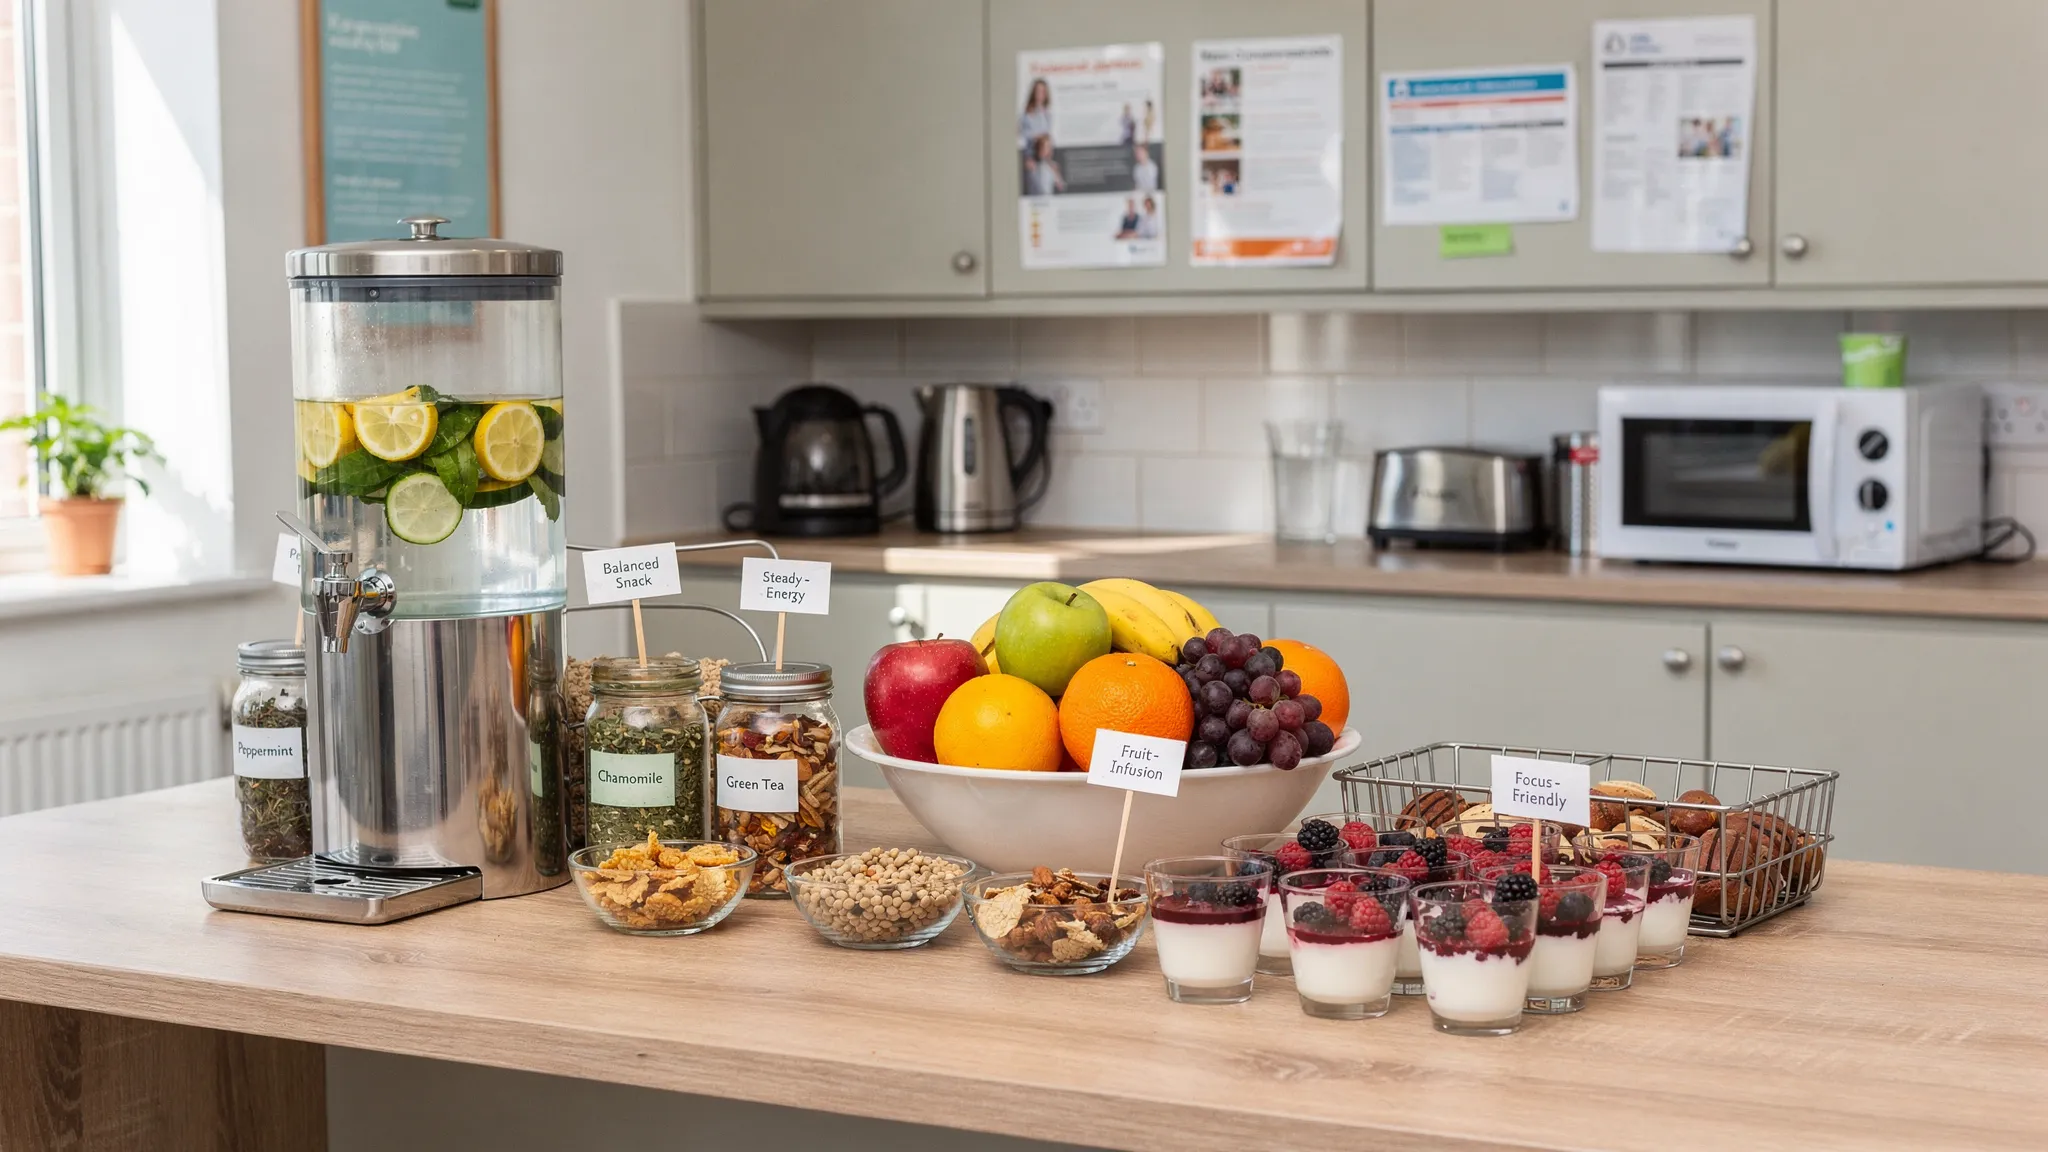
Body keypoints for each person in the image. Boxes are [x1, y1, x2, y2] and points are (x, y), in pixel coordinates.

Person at [1018, 78, 1052, 153]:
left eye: (1043, 91)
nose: (1040, 94)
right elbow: (1022, 133)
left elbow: (1047, 132)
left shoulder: (1047, 112)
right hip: (1031, 151)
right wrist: (1038, 136)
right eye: (1038, 91)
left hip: (1044, 152)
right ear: (1034, 92)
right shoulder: (1028, 111)